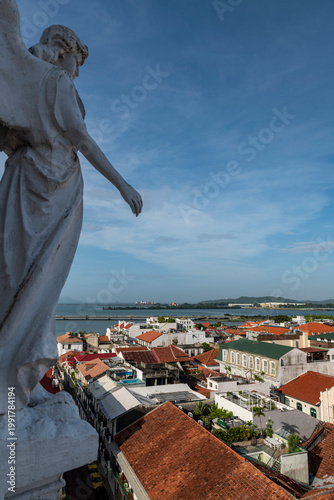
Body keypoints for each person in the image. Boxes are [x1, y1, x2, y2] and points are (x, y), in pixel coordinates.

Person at [0, 4, 142, 413]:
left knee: (26, 279)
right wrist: (123, 184)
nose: (77, 72)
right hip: (48, 188)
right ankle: (11, 374)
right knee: (37, 282)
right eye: (76, 61)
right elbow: (83, 141)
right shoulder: (55, 81)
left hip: (34, 183)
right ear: (62, 51)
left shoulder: (36, 80)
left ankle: (15, 372)